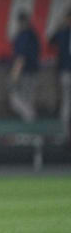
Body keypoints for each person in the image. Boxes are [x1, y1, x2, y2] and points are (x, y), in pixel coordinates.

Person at [8, 11, 41, 123]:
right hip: (33, 71)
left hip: (24, 72)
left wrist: (14, 74)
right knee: (28, 99)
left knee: (15, 98)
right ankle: (30, 124)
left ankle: (30, 119)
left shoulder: (23, 35)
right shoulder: (33, 34)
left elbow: (21, 57)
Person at [50, 9, 71, 140]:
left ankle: (65, 133)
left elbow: (51, 41)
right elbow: (51, 41)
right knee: (66, 102)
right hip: (65, 72)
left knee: (66, 102)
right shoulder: (63, 33)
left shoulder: (63, 32)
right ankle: (65, 132)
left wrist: (59, 25)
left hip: (65, 72)